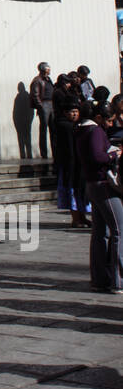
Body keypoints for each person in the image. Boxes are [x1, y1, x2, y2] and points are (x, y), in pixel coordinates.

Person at [76, 102, 123, 293]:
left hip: (91, 184)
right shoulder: (95, 131)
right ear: (98, 117)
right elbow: (97, 156)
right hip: (103, 184)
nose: (110, 125)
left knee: (99, 232)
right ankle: (118, 280)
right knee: (119, 230)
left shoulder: (80, 130)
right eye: (109, 120)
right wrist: (114, 155)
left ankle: (100, 278)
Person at [54, 96, 89, 227]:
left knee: (79, 191)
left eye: (76, 111)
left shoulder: (75, 125)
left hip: (78, 164)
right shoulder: (65, 126)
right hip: (69, 164)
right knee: (73, 191)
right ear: (65, 113)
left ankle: (82, 217)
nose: (74, 114)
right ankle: (76, 219)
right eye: (71, 112)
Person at [29, 62, 54, 160]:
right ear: (43, 69)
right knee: (43, 129)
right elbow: (35, 94)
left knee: (53, 129)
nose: (49, 70)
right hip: (44, 104)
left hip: (51, 104)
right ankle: (44, 153)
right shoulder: (37, 80)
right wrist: (41, 106)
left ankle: (54, 151)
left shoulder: (48, 79)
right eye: (48, 68)